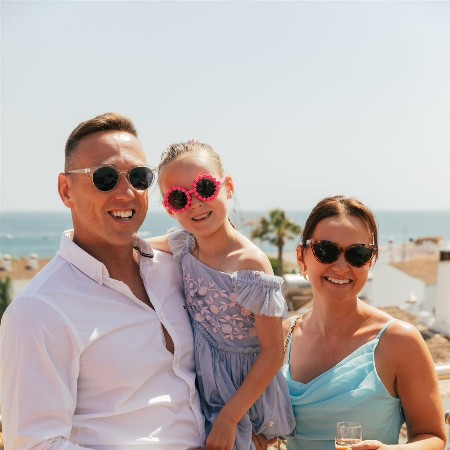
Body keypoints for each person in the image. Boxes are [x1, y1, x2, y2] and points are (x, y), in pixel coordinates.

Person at [0, 113, 207, 449]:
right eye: (105, 178)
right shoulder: (39, 310)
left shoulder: (175, 270)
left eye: (139, 177)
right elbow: (35, 444)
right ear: (66, 190)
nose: (127, 192)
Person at [148, 141, 295, 450]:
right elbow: (134, 245)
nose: (195, 204)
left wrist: (230, 418)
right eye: (179, 197)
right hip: (203, 389)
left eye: (204, 188)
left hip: (243, 399)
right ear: (170, 208)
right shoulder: (185, 245)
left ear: (227, 187)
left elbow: (272, 353)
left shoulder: (250, 263)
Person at [282, 195, 447, 450]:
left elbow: (434, 437)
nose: (341, 267)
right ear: (301, 256)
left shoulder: (400, 341)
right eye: (326, 250)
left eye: (358, 254)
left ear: (371, 260)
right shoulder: (282, 335)